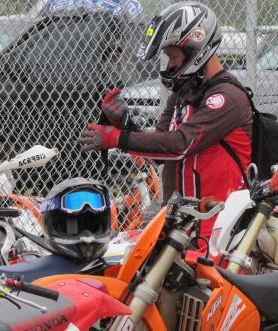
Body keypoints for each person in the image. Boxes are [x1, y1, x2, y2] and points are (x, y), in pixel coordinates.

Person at [80, 2, 253, 238]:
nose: (170, 64)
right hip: (181, 223)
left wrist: (117, 138)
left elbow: (180, 145)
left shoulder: (226, 97)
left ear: (195, 49)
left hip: (217, 229)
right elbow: (160, 150)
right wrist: (125, 123)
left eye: (173, 56)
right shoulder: (182, 94)